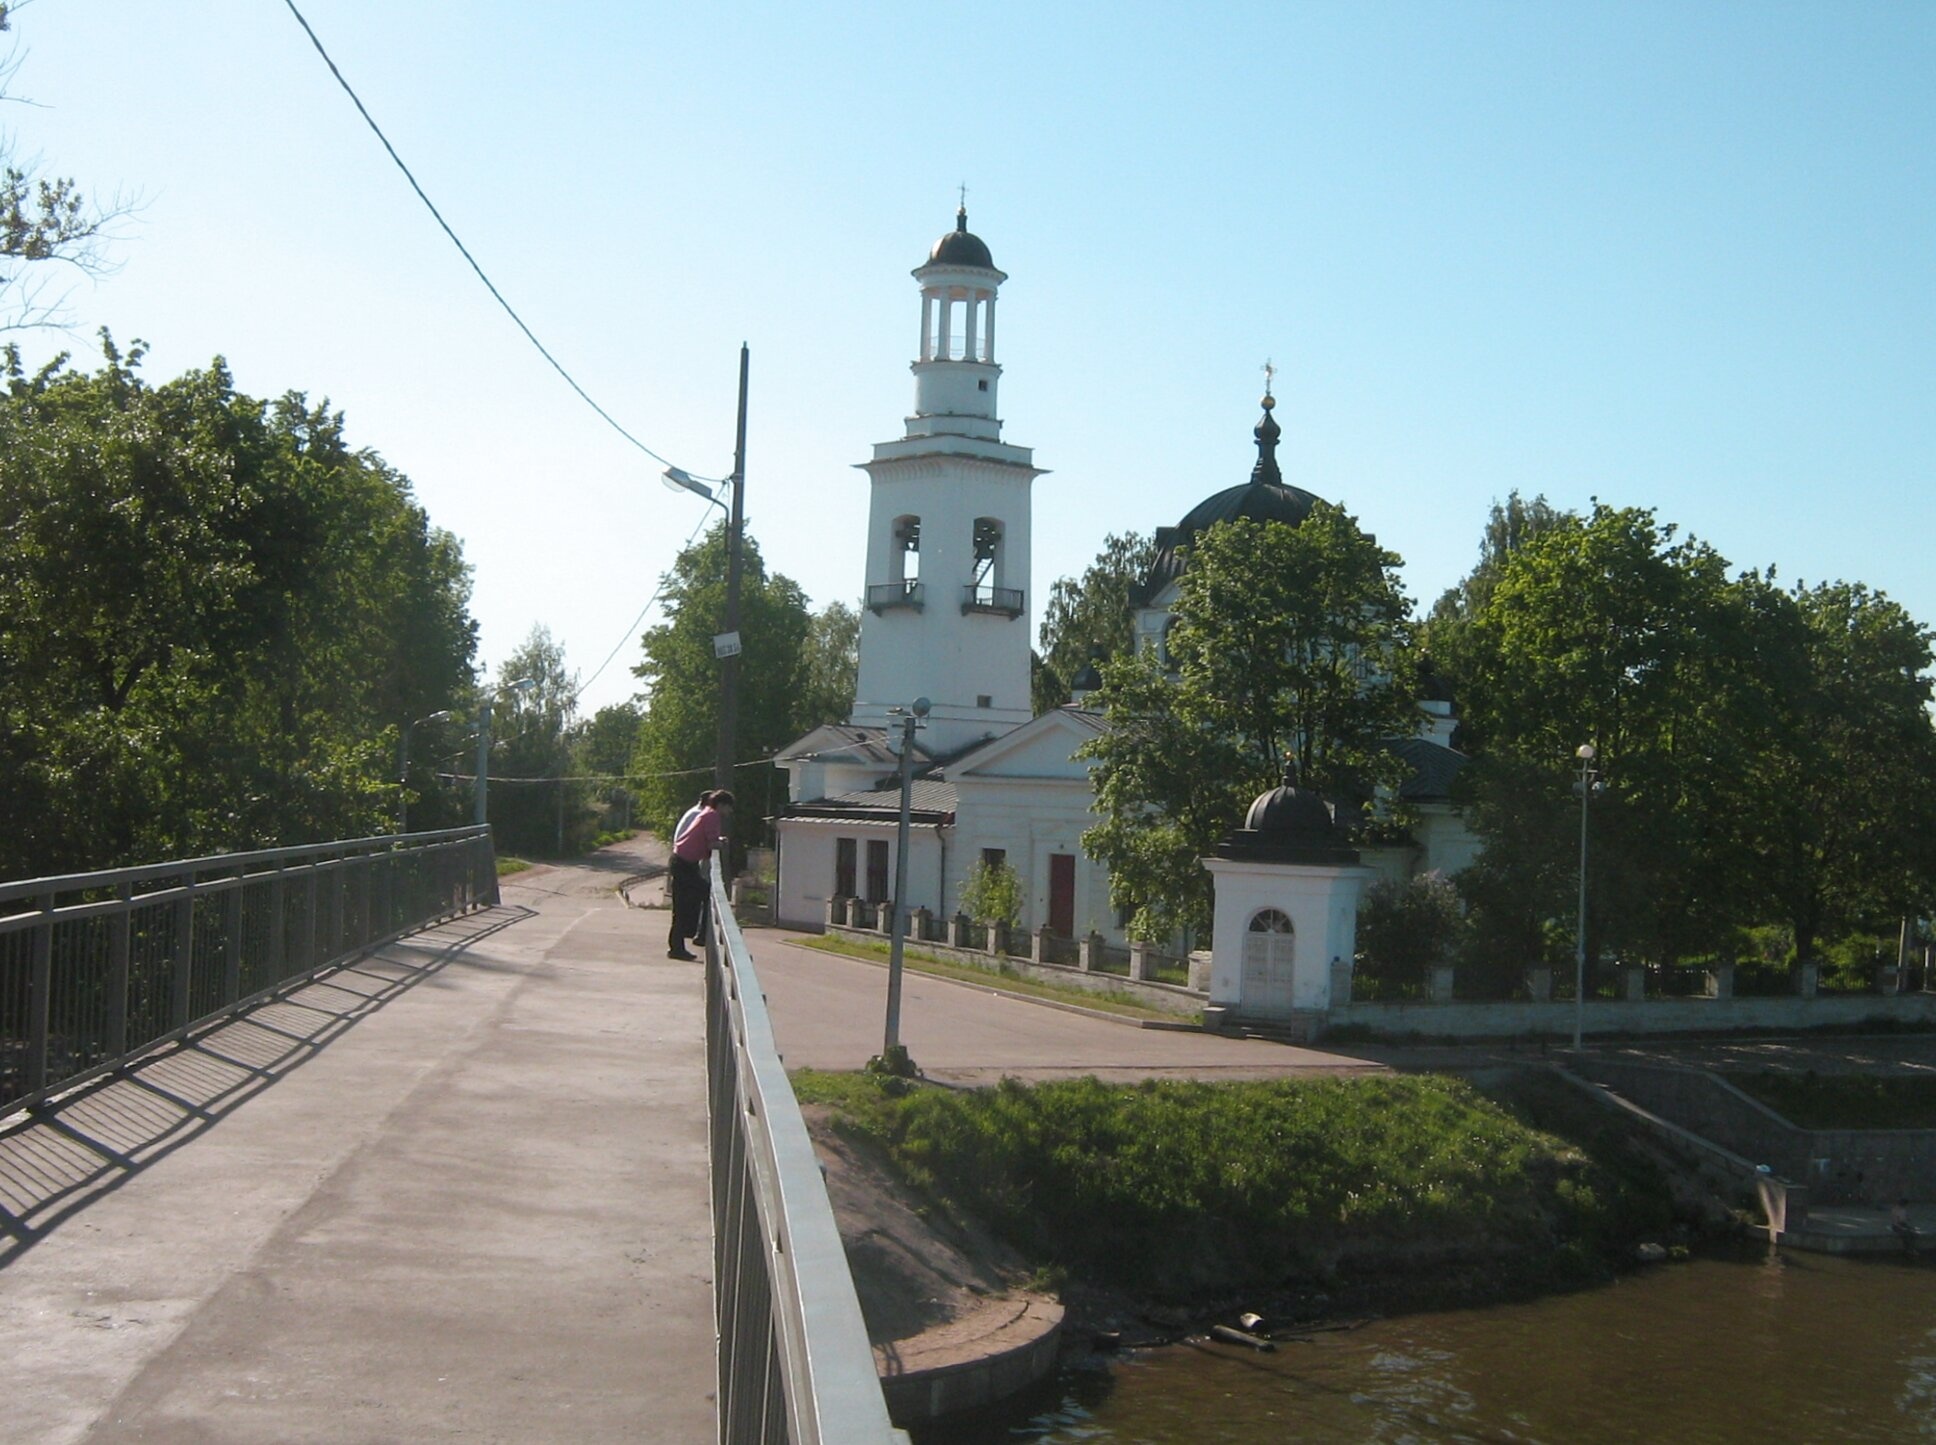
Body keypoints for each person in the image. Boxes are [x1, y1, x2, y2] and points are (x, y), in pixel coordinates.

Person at [667, 789, 732, 960]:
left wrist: (718, 841)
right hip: (684, 863)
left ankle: (682, 942)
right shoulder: (712, 816)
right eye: (728, 807)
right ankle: (691, 939)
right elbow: (712, 843)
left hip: (683, 861)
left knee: (688, 902)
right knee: (702, 895)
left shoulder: (707, 814)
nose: (729, 812)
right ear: (721, 805)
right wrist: (722, 843)